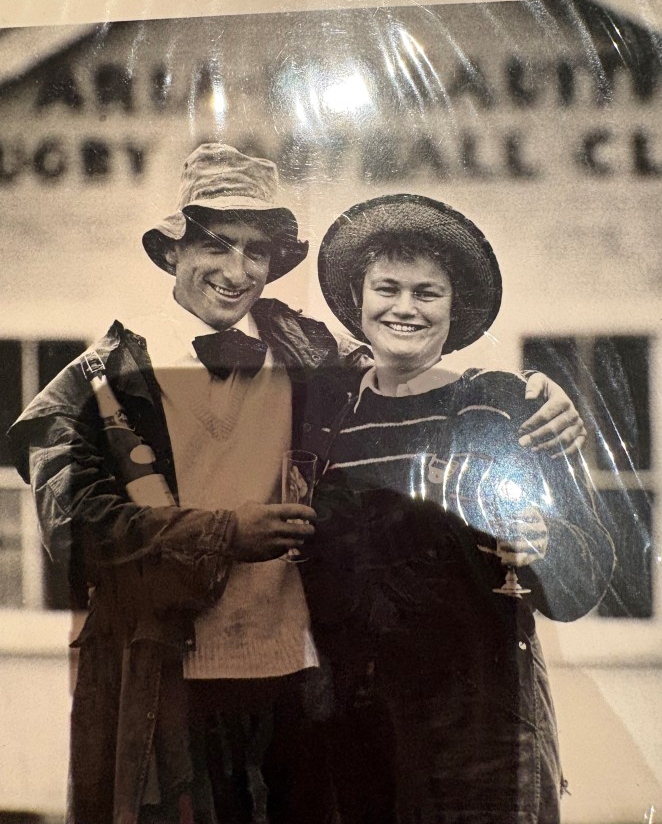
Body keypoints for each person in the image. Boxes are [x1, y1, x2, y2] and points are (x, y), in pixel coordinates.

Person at [8, 147, 584, 824]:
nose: (236, 269)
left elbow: (404, 364)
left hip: (300, 693)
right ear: (171, 252)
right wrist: (227, 532)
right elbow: (75, 529)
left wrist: (531, 397)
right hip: (165, 691)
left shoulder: (307, 349)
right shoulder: (95, 380)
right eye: (216, 244)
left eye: (258, 251)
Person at [301, 193, 616, 824]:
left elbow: (585, 575)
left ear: (455, 308)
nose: (404, 308)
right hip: (353, 721)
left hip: (481, 727)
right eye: (386, 288)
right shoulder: (326, 414)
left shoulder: (504, 405)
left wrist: (545, 543)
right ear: (358, 300)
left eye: (428, 292)